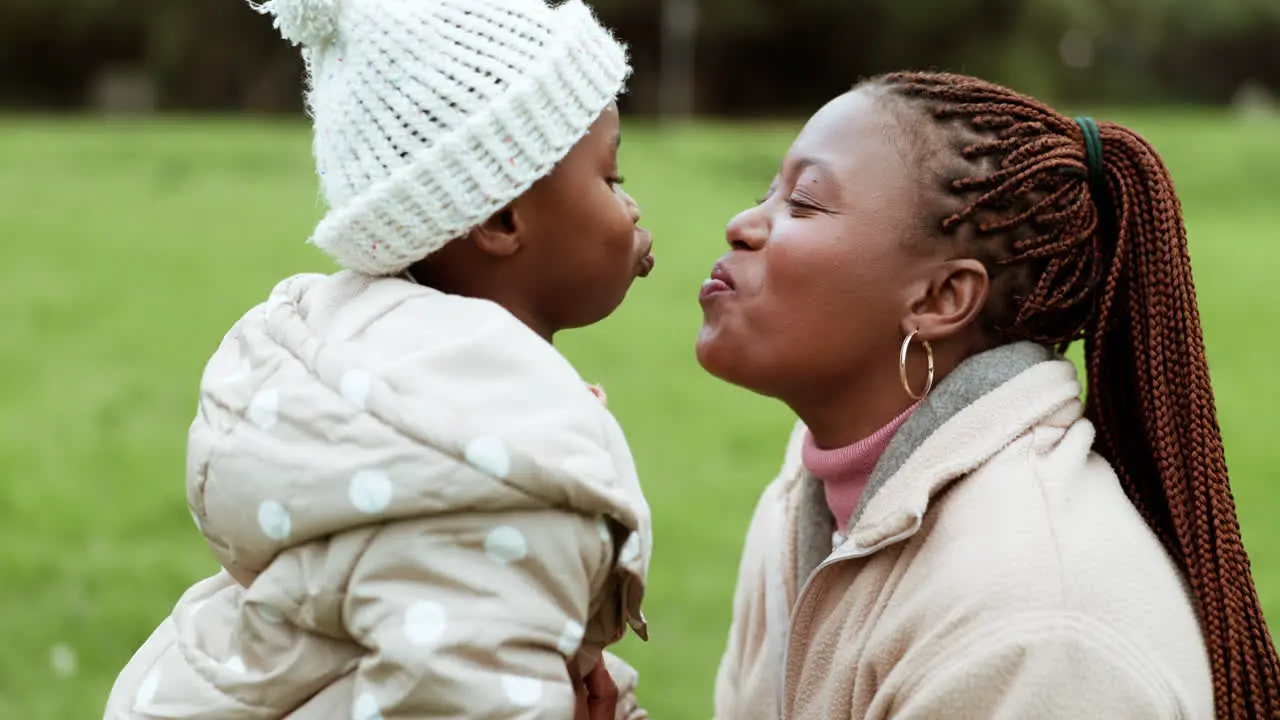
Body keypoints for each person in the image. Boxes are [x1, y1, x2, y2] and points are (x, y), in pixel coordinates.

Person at [102, 0, 653, 718]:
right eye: (610, 179)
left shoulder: (392, 400)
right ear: (499, 219)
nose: (633, 207)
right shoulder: (491, 476)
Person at [698, 72, 1280, 719]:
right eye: (766, 193)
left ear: (940, 298)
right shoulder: (803, 510)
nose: (742, 224)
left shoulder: (1040, 631)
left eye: (803, 202)